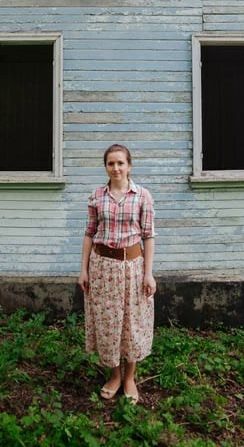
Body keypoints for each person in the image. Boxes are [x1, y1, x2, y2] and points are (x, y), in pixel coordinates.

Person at [78, 143, 156, 405]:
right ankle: (113, 375)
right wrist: (83, 270)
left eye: (120, 163)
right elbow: (89, 233)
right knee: (109, 322)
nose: (116, 168)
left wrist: (149, 274)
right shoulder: (97, 196)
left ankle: (130, 377)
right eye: (111, 163)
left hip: (133, 268)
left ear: (129, 165)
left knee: (132, 322)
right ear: (106, 167)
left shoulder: (143, 196)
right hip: (102, 269)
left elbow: (148, 236)